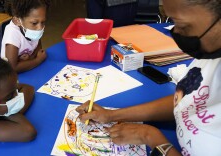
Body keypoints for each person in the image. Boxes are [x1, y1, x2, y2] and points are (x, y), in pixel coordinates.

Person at [76, 0, 221, 155]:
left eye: (183, 26)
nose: (176, 32)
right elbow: (187, 99)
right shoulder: (211, 53)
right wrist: (112, 115)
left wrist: (150, 137)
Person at [0, 0, 48, 73]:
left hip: (28, 71)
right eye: (34, 23)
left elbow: (38, 49)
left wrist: (29, 59)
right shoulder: (12, 33)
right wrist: (37, 60)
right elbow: (12, 67)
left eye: (43, 22)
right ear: (17, 21)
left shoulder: (33, 29)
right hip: (10, 76)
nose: (40, 27)